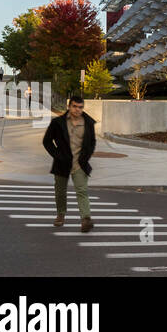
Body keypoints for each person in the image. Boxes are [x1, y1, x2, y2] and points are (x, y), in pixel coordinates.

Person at [41, 94, 96, 232]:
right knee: (60, 191)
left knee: (82, 190)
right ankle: (60, 215)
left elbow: (92, 142)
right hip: (62, 162)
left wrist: (86, 156)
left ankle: (86, 219)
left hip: (80, 164)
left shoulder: (88, 123)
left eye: (80, 107)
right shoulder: (58, 123)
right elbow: (47, 141)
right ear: (69, 106)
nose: (78, 109)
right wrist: (57, 155)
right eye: (75, 106)